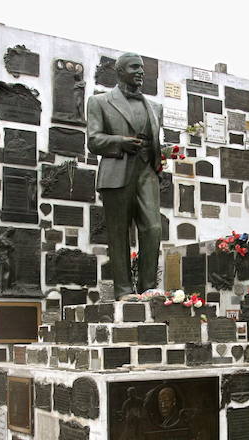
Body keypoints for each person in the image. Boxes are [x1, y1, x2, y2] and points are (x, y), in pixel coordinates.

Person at [86, 52, 163, 301]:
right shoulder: (99, 102)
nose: (140, 72)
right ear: (120, 72)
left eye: (142, 68)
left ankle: (148, 287)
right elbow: (94, 140)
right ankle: (123, 291)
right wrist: (121, 142)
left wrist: (162, 151)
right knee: (119, 234)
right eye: (134, 68)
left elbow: (155, 142)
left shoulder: (155, 107)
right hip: (116, 172)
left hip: (146, 172)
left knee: (152, 228)